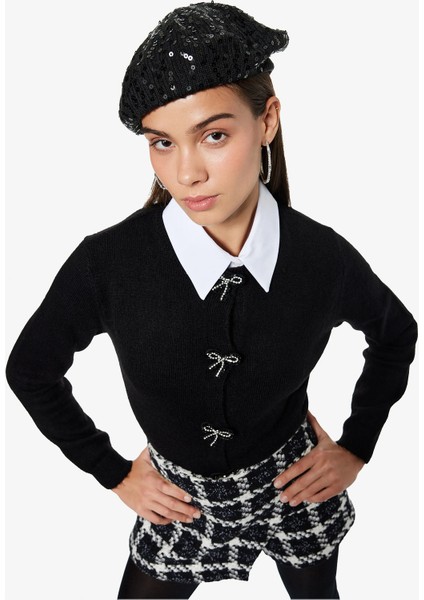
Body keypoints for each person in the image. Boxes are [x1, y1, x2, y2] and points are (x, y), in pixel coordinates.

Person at [5, 2, 418, 599]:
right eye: (162, 142)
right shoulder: (109, 263)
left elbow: (395, 333)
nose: (187, 173)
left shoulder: (320, 258)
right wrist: (113, 472)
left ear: (267, 120)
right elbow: (30, 369)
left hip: (294, 487)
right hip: (178, 501)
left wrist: (356, 446)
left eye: (214, 135)